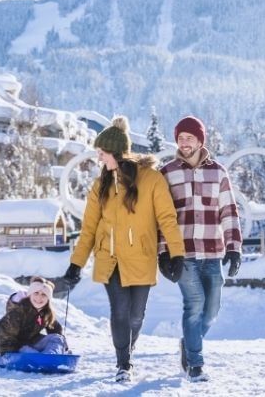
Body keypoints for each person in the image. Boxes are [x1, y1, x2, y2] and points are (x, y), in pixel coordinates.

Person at [62, 116, 186, 383]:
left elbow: (167, 218)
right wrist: (76, 264)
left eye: (102, 153)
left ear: (116, 152)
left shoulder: (151, 180)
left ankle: (127, 351)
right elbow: (89, 229)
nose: (99, 158)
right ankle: (124, 363)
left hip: (141, 256)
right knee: (119, 310)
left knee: (136, 315)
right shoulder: (101, 185)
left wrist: (177, 253)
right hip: (110, 258)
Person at [158, 115, 242, 382]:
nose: (184, 143)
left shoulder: (218, 172)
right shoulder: (167, 173)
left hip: (212, 252)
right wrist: (163, 252)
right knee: (194, 305)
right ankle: (196, 364)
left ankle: (189, 343)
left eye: (189, 138)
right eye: (180, 138)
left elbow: (228, 211)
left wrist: (234, 247)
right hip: (183, 254)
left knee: (212, 309)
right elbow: (160, 216)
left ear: (200, 140)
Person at [0, 277, 68, 355]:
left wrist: (63, 348)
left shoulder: (45, 312)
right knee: (30, 353)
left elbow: (55, 329)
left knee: (57, 339)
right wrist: (9, 354)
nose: (39, 297)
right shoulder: (18, 311)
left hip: (33, 342)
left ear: (48, 299)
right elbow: (5, 337)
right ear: (30, 295)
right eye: (36, 293)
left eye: (44, 294)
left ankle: (51, 357)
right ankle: (39, 358)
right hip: (17, 347)